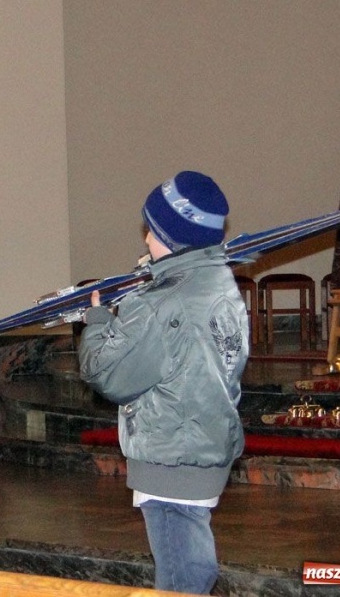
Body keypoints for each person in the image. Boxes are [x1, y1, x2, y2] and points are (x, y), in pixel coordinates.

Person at [78, 171, 248, 595]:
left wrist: (98, 321)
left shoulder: (161, 303)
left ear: (173, 239)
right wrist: (156, 279)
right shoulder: (219, 280)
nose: (145, 242)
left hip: (170, 456)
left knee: (180, 579)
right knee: (192, 565)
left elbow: (106, 373)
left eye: (151, 233)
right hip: (204, 445)